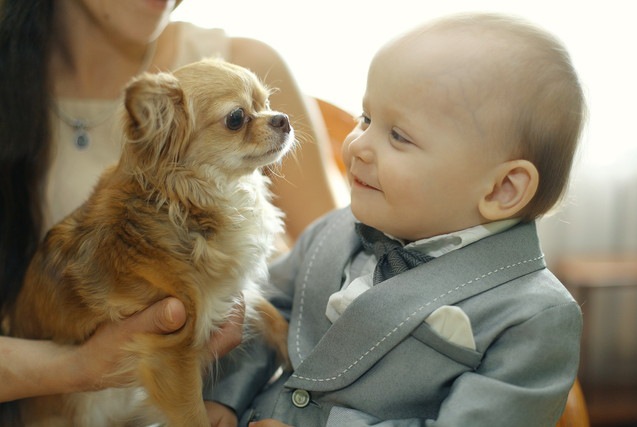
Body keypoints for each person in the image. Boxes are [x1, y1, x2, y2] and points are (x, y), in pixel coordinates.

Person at [204, 12, 586, 427]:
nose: (358, 146)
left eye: (399, 136)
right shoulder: (331, 231)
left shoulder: (534, 319)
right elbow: (262, 316)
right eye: (365, 119)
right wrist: (225, 399)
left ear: (502, 190)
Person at [0, 0, 344, 408]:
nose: (268, 119)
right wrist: (78, 367)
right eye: (235, 119)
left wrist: (247, 403)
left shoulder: (243, 61)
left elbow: (340, 274)